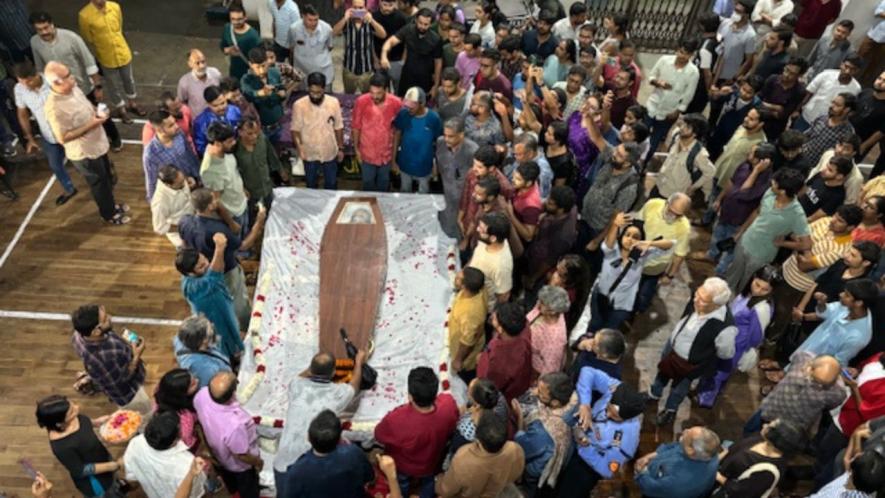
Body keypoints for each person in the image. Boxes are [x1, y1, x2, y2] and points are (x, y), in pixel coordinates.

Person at [44, 61, 130, 225]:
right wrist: (93, 123)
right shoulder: (54, 108)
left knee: (107, 178)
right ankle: (108, 214)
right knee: (99, 184)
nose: (73, 78)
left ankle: (111, 205)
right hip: (85, 153)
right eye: (67, 76)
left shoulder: (73, 88)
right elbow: (62, 137)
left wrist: (97, 112)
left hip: (97, 143)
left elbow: (86, 104)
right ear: (56, 82)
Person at [647, 277, 738, 426]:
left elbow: (726, 353)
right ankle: (653, 395)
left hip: (690, 364)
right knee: (662, 374)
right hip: (672, 349)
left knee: (679, 389)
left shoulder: (725, 327)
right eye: (697, 294)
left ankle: (670, 410)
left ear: (716, 304)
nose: (696, 300)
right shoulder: (698, 300)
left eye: (702, 300)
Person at [275, 352, 366, 495]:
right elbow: (354, 385)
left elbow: (302, 376)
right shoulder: (338, 393)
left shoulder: (296, 385)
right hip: (311, 467)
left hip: (285, 460)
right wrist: (359, 362)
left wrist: (314, 368)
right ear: (334, 372)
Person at [29, 10, 122, 151]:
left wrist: (97, 86)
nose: (44, 32)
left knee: (98, 112)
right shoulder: (34, 42)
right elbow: (41, 68)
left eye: (46, 27)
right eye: (39, 30)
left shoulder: (71, 38)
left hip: (83, 86)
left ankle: (114, 137)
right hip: (60, 91)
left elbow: (89, 62)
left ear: (52, 24)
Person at [178, 189, 266, 332]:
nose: (217, 201)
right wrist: (259, 222)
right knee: (238, 302)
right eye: (214, 200)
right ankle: (248, 327)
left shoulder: (185, 221)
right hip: (226, 271)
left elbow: (184, 243)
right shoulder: (217, 230)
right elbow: (244, 245)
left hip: (202, 273)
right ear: (210, 206)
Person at [697, 266, 778, 407]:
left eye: (764, 289)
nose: (758, 290)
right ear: (753, 278)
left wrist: (741, 347)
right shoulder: (748, 294)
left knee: (719, 372)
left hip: (736, 345)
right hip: (727, 337)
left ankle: (706, 399)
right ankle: (711, 390)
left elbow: (755, 337)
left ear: (771, 290)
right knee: (716, 368)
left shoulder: (762, 308)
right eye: (757, 284)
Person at [374, 367, 459, 498]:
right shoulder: (448, 406)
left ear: (410, 396)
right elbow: (453, 422)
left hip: (403, 466)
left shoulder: (396, 419)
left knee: (402, 483)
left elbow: (378, 435)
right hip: (431, 463)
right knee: (428, 482)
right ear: (435, 393)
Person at [560, 368, 644, 498]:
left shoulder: (626, 440)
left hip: (587, 466)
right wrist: (585, 404)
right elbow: (587, 372)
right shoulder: (618, 389)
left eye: (615, 416)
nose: (607, 414)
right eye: (608, 408)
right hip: (576, 440)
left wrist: (585, 447)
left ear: (626, 419)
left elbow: (607, 469)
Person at [725, 168, 811, 292]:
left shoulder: (797, 214)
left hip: (761, 256)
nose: (772, 183)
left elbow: (806, 244)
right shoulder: (770, 193)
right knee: (731, 275)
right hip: (744, 242)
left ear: (783, 191)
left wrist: (783, 243)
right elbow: (757, 212)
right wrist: (741, 232)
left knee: (747, 285)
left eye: (775, 183)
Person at [590, 213, 674, 332]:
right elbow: (608, 243)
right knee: (594, 325)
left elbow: (671, 244)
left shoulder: (642, 256)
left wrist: (650, 243)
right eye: (627, 235)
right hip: (600, 296)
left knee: (608, 332)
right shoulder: (613, 251)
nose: (630, 239)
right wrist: (615, 225)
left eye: (635, 237)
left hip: (622, 304)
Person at [12, 60, 78, 206]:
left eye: (27, 82)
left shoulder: (54, 82)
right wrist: (30, 138)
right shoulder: (19, 89)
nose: (25, 86)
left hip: (69, 132)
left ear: (36, 75)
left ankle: (104, 174)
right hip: (48, 135)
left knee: (83, 161)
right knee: (55, 165)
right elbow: (22, 113)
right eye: (21, 82)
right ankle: (69, 189)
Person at [177, 228, 246, 362]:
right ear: (189, 273)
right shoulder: (197, 286)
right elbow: (215, 274)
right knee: (222, 343)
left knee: (231, 330)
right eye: (201, 266)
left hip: (220, 309)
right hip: (215, 319)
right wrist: (219, 248)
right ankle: (230, 360)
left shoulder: (191, 276)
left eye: (204, 260)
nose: (207, 265)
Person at [35, 395, 123, 497]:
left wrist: (96, 422)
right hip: (97, 481)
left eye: (73, 405)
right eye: (71, 412)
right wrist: (113, 466)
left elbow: (85, 422)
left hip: (104, 459)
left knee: (116, 484)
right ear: (59, 424)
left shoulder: (72, 417)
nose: (77, 408)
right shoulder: (61, 447)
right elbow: (80, 470)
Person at [70, 304, 151, 414]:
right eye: (105, 319)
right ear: (95, 332)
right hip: (130, 394)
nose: (110, 317)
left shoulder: (78, 335)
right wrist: (136, 356)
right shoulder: (104, 359)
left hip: (112, 370)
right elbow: (121, 380)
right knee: (144, 415)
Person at [194, 371, 261, 498]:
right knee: (249, 491)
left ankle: (233, 491)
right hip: (240, 467)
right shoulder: (235, 424)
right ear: (233, 392)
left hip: (219, 457)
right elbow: (241, 455)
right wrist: (258, 462)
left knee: (231, 483)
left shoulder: (201, 395)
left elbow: (201, 424)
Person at [279, 410, 374, 497]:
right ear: (339, 439)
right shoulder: (353, 453)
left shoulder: (297, 471)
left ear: (308, 438)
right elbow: (369, 476)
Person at [78, 0, 146, 122]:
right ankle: (121, 109)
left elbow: (119, 27)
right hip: (106, 56)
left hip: (122, 52)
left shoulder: (115, 7)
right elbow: (88, 37)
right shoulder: (85, 15)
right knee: (113, 85)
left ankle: (132, 103)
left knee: (128, 79)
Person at [745, 352, 846, 434]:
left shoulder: (837, 392)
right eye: (814, 378)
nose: (816, 385)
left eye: (822, 384)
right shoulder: (803, 358)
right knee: (752, 431)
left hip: (790, 422)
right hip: (774, 411)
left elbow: (830, 406)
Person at [512, 372, 575, 494]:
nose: (536, 393)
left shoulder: (543, 431)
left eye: (541, 393)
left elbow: (521, 448)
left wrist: (519, 418)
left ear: (555, 402)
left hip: (535, 471)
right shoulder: (572, 407)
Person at [436, 412, 525, 498]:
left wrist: (438, 479)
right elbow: (516, 474)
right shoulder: (515, 449)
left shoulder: (463, 459)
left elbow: (446, 491)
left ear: (478, 439)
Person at [122, 411, 208, 498]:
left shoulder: (135, 443)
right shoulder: (188, 464)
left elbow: (132, 475)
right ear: (174, 441)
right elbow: (195, 492)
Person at [792, 279, 876, 367]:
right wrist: (822, 303)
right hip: (805, 352)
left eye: (847, 295)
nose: (841, 294)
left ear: (859, 303)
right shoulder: (846, 306)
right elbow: (825, 312)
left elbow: (838, 362)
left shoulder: (859, 337)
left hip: (815, 369)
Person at [713, 418, 806, 497]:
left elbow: (741, 491)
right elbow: (733, 448)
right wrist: (715, 462)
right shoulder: (761, 437)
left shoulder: (768, 472)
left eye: (769, 427)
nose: (764, 425)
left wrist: (718, 477)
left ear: (776, 439)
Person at [633, 193, 692, 313]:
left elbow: (679, 255)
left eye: (677, 215)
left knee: (645, 293)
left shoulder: (684, 227)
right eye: (671, 211)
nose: (672, 216)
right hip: (635, 257)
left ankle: (639, 310)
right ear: (667, 203)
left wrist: (669, 275)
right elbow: (637, 223)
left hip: (655, 266)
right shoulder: (652, 204)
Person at [645, 38, 700, 162]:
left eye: (686, 54)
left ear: (691, 55)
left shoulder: (693, 72)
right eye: (681, 52)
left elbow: (688, 95)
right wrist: (657, 83)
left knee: (655, 140)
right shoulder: (664, 60)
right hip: (652, 105)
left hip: (668, 112)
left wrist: (677, 111)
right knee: (641, 134)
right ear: (677, 50)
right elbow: (651, 76)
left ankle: (644, 164)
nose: (682, 56)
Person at [291, 72, 344, 189]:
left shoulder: (333, 102)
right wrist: (300, 149)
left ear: (324, 89)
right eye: (312, 92)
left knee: (331, 184)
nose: (315, 96)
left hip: (329, 151)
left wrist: (340, 148)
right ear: (308, 89)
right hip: (309, 152)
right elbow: (295, 130)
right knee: (311, 184)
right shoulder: (299, 105)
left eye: (318, 93)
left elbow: (338, 126)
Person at [635, 426, 721, 498]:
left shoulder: (678, 483)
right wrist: (651, 455)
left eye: (687, 434)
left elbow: (650, 489)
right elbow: (676, 446)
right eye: (689, 430)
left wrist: (642, 472)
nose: (685, 431)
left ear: (691, 451)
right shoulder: (708, 451)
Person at [352, 72, 402, 191]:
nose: (375, 96)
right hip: (367, 153)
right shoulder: (361, 101)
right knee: (367, 183)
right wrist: (356, 149)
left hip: (386, 154)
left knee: (383, 185)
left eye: (378, 93)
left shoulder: (396, 103)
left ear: (386, 90)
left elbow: (398, 132)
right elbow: (356, 127)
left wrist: (394, 157)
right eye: (372, 92)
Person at [380, 8, 443, 96]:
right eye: (420, 23)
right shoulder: (408, 30)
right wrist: (383, 55)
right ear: (416, 20)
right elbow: (390, 41)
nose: (422, 26)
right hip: (407, 76)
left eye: (426, 24)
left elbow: (438, 63)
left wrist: (436, 85)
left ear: (430, 24)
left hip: (424, 79)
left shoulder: (436, 39)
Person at [477, 302, 533, 401]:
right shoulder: (522, 327)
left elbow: (491, 385)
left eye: (495, 318)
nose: (492, 316)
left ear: (500, 329)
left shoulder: (501, 358)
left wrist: (482, 361)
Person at [524, 186, 577, 289]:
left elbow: (549, 261)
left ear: (561, 209)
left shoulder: (563, 236)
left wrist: (533, 278)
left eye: (550, 203)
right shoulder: (570, 206)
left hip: (539, 264)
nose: (546, 202)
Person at [652, 113, 715, 199]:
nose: (682, 128)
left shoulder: (698, 153)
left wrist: (693, 187)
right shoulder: (676, 136)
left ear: (695, 134)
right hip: (659, 184)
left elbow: (710, 172)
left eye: (687, 127)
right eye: (683, 124)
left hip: (672, 195)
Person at [393, 86, 443, 193]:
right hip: (405, 163)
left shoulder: (433, 118)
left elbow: (439, 143)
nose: (408, 109)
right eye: (407, 106)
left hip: (424, 165)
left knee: (423, 195)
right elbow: (397, 135)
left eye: (412, 107)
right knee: (404, 191)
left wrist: (436, 165)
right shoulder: (403, 114)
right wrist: (393, 160)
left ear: (422, 104)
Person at [142, 110, 200, 201]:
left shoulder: (179, 134)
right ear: (160, 130)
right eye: (171, 125)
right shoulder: (150, 154)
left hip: (192, 183)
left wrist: (198, 177)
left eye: (175, 122)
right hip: (175, 195)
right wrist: (154, 202)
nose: (177, 126)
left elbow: (190, 157)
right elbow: (151, 180)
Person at [332, 0, 387, 94]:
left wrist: (372, 21)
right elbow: (334, 32)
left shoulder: (369, 21)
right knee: (348, 96)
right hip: (349, 69)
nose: (357, 10)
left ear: (366, 8)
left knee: (367, 97)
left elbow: (383, 34)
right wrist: (345, 18)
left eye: (361, 8)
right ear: (351, 8)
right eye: (355, 7)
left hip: (366, 70)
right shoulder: (347, 21)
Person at [437, 117, 478, 238]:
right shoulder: (440, 142)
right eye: (445, 135)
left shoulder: (473, 150)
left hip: (464, 197)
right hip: (447, 191)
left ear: (461, 135)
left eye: (451, 136)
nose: (446, 139)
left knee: (462, 227)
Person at [707, 75, 763, 160]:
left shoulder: (756, 107)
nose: (743, 93)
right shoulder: (733, 92)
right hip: (720, 129)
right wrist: (717, 94)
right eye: (743, 89)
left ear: (755, 93)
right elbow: (716, 101)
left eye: (749, 92)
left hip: (733, 137)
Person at [234, 118, 281, 215]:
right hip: (249, 191)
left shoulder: (262, 139)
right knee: (252, 215)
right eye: (250, 134)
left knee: (270, 211)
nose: (254, 136)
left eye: (256, 132)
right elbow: (234, 172)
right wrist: (242, 188)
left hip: (266, 186)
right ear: (240, 132)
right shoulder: (235, 149)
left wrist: (280, 170)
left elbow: (271, 154)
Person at [468, 211, 514, 310]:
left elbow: (503, 295)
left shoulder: (501, 266)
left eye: (481, 229)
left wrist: (494, 313)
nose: (477, 229)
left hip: (482, 304)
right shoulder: (487, 240)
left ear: (493, 238)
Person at [448, 267, 487, 382]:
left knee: (464, 377)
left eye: (459, 278)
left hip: (466, 356)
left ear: (464, 287)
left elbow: (467, 341)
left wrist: (458, 360)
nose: (456, 277)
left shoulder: (470, 313)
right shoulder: (478, 291)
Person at [173, 315, 233, 388]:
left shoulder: (182, 338)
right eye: (209, 329)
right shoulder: (204, 369)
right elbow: (214, 387)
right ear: (204, 340)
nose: (212, 327)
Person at [239, 48, 286, 141]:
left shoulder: (275, 72)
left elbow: (281, 88)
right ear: (250, 64)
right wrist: (260, 93)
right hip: (260, 127)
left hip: (277, 121)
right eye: (257, 67)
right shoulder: (246, 80)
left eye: (264, 66)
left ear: (267, 62)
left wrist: (283, 94)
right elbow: (248, 96)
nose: (261, 71)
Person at [800, 94, 857, 168]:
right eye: (833, 102)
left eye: (837, 105)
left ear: (847, 110)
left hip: (816, 167)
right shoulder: (822, 119)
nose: (832, 106)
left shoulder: (847, 133)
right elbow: (806, 135)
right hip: (800, 157)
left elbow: (840, 157)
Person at [287, 5, 334, 90]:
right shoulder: (294, 29)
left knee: (326, 94)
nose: (313, 23)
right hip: (302, 71)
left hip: (322, 70)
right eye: (310, 20)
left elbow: (330, 47)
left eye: (316, 20)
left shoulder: (327, 29)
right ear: (303, 17)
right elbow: (291, 47)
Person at [527, 285, 570, 377]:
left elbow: (550, 369)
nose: (538, 303)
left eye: (542, 303)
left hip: (533, 368)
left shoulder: (555, 340)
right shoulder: (546, 308)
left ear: (552, 311)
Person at [759, 57, 808, 138]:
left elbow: (783, 115)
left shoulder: (799, 91)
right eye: (786, 70)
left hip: (774, 128)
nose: (786, 74)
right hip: (759, 118)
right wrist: (776, 107)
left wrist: (765, 106)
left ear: (799, 75)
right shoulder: (773, 79)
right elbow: (757, 100)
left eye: (792, 74)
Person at [810, 446, 885, 498]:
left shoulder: (837, 494)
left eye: (860, 456)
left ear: (852, 473)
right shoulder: (867, 483)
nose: (858, 453)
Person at [714, 0, 757, 83]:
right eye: (735, 10)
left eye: (739, 12)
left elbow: (748, 60)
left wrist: (735, 77)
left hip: (727, 76)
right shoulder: (725, 23)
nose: (735, 13)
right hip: (714, 68)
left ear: (746, 15)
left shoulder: (750, 34)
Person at [193, 85, 242, 157]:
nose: (221, 108)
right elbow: (201, 147)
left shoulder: (235, 110)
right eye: (215, 106)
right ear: (208, 104)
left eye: (223, 103)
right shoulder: (201, 122)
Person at [799, 155, 853, 220]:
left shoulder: (837, 196)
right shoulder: (820, 175)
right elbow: (803, 189)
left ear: (839, 176)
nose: (824, 170)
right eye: (826, 166)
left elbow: (813, 218)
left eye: (830, 170)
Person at [152, 166, 195, 248]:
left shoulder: (179, 180)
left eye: (183, 180)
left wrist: (188, 180)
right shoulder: (160, 202)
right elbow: (159, 228)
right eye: (180, 183)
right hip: (180, 233)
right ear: (168, 185)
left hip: (193, 219)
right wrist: (183, 228)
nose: (184, 184)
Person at [221, 2, 262, 80]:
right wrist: (228, 50)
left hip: (249, 73)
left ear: (245, 17)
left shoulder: (253, 36)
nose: (236, 22)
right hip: (234, 71)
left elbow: (260, 58)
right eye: (233, 19)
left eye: (239, 19)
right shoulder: (227, 28)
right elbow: (223, 46)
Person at [373, 0, 408, 90]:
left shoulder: (402, 18)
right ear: (380, 2)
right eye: (385, 5)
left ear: (395, 3)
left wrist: (403, 60)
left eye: (390, 5)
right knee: (381, 88)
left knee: (398, 89)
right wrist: (375, 59)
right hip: (379, 59)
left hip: (397, 59)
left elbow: (407, 40)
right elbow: (370, 41)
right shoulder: (374, 17)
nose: (387, 8)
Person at [178, 49, 223, 118]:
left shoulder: (215, 73)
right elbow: (182, 101)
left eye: (203, 61)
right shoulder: (184, 82)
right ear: (190, 64)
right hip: (198, 119)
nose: (202, 66)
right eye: (197, 63)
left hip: (219, 116)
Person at [852, 71, 885, 163]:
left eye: (884, 81)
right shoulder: (866, 92)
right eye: (879, 78)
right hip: (844, 134)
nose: (880, 82)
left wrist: (864, 146)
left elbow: (881, 132)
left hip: (860, 142)